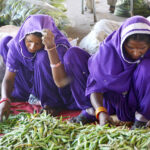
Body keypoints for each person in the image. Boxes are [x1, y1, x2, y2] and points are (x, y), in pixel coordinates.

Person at [0, 14, 79, 121]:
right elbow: (8, 78)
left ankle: (51, 104)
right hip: (28, 85)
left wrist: (51, 48)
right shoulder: (18, 45)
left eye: (38, 43)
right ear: (24, 36)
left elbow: (61, 82)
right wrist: (5, 99)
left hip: (53, 87)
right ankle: (24, 95)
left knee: (42, 57)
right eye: (29, 41)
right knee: (5, 43)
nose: (32, 47)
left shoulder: (58, 46)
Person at [85, 16, 150, 129]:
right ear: (122, 42)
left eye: (142, 49)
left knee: (147, 67)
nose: (135, 53)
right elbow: (95, 86)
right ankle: (94, 112)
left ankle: (141, 120)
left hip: (139, 104)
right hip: (112, 102)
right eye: (130, 48)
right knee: (73, 55)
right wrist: (101, 111)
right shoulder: (108, 52)